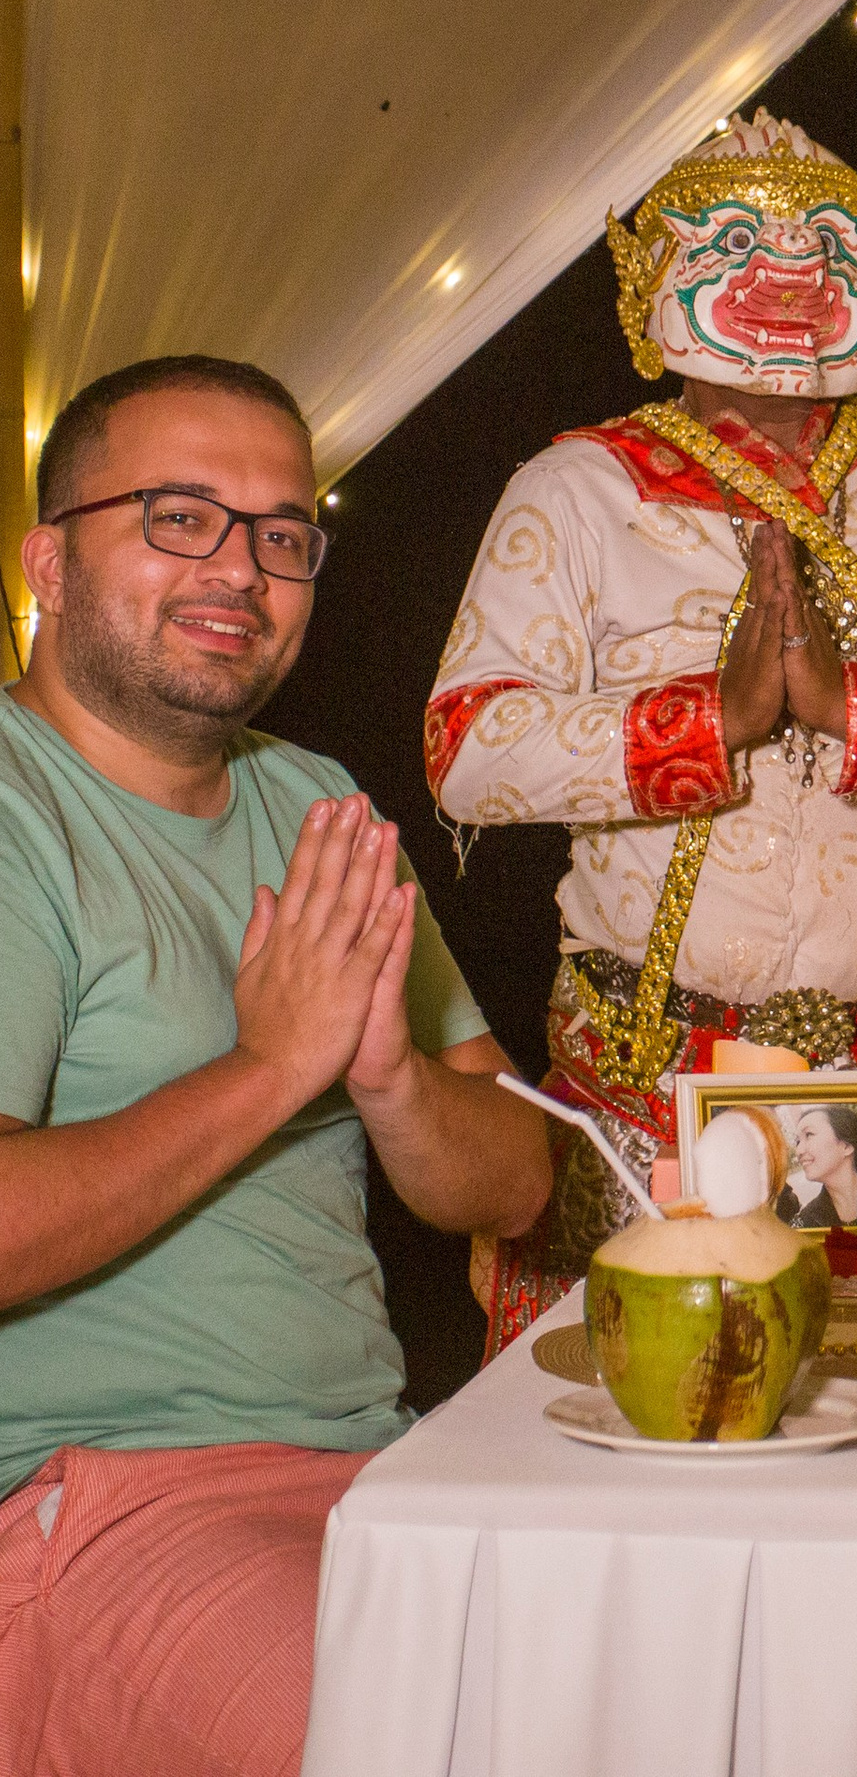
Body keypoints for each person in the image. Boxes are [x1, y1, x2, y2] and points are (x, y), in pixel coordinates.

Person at [431, 110, 857, 1345]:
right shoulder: (578, 491)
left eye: (830, 247)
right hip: (645, 1081)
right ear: (650, 283)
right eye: (740, 244)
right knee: (648, 1409)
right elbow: (468, 747)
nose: (792, 275)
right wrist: (714, 719)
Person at [0, 356, 550, 1777]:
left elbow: (514, 1175)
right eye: (180, 518)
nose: (241, 569)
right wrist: (269, 1065)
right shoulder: (16, 811)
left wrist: (388, 1078)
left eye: (283, 534)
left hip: (385, 1468)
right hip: (95, 1500)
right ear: (49, 563)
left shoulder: (314, 801)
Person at [782, 1102, 857, 1229]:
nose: (799, 1151)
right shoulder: (803, 1225)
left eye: (809, 1134)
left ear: (846, 1146)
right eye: (798, 1141)